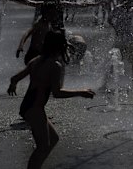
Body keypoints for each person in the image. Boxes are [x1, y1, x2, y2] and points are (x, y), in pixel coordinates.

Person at [7, 30, 95, 169]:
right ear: (60, 46)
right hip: (35, 109)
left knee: (53, 139)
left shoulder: (36, 60)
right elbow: (57, 93)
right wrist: (81, 92)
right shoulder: (55, 65)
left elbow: (14, 78)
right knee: (42, 147)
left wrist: (13, 85)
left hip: (29, 106)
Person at [108, 0, 133, 83]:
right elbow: (109, 19)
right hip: (120, 38)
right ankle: (106, 82)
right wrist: (116, 28)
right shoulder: (117, 9)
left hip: (131, 38)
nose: (131, 1)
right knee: (114, 60)